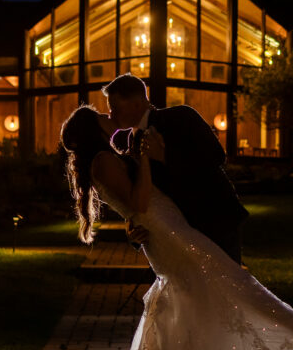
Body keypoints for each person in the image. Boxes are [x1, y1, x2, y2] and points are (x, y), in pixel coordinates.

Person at [58, 104, 293, 350]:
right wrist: (144, 159)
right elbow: (138, 202)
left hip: (169, 225)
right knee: (233, 281)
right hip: (166, 233)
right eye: (100, 117)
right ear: (93, 129)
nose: (109, 117)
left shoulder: (108, 157)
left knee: (192, 303)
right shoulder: (103, 161)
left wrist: (141, 161)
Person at [103, 74, 247, 263]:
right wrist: (133, 227)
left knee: (226, 285)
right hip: (175, 233)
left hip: (213, 220)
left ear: (137, 103)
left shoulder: (181, 116)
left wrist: (164, 156)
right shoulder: (129, 141)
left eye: (115, 108)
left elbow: (215, 156)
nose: (111, 115)